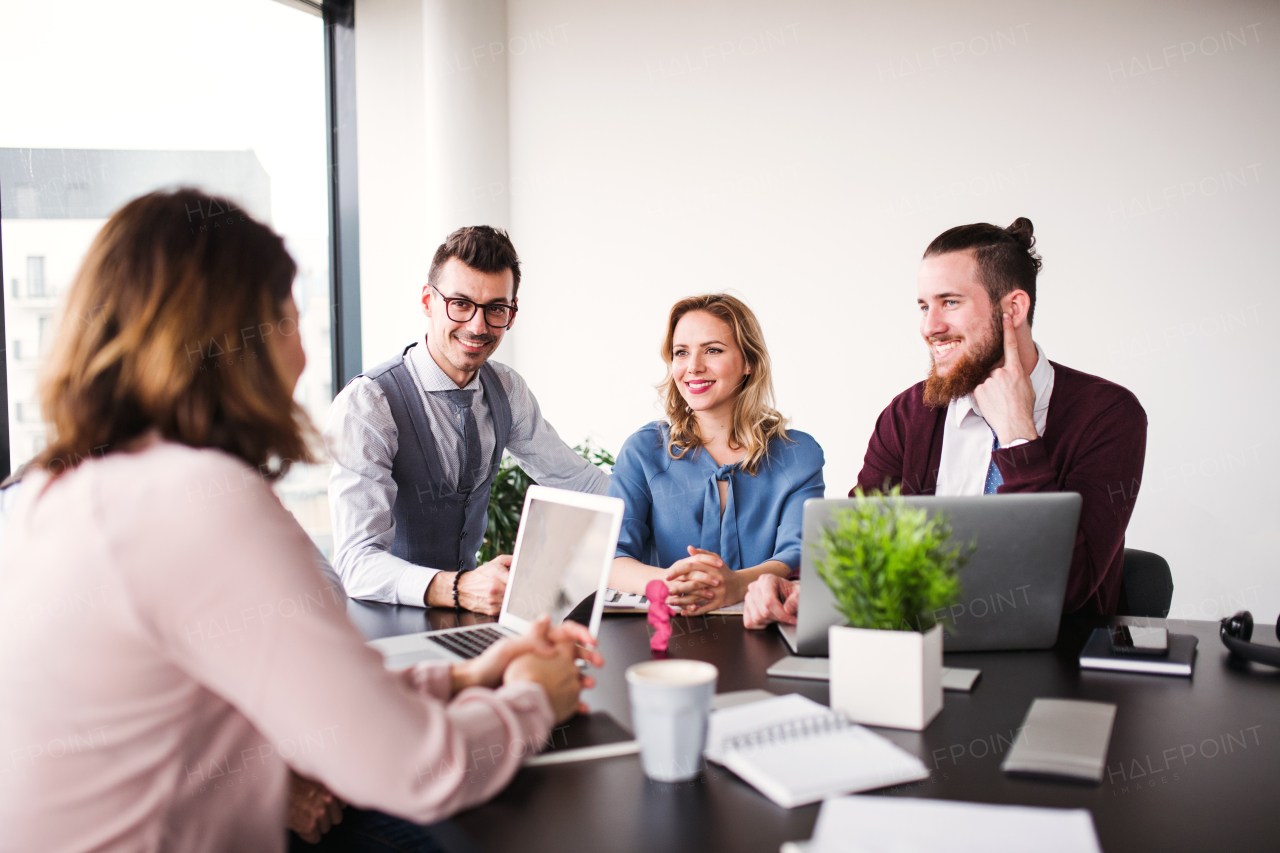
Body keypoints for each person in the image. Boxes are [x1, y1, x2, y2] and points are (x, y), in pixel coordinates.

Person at [0, 190, 601, 852]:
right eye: (288, 321)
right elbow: (418, 768)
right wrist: (533, 699)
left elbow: (256, 707)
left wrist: (459, 676)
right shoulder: (204, 501)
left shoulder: (49, 492)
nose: (305, 358)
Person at [744, 218, 1146, 628]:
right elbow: (856, 555)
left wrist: (1018, 438)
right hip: (917, 652)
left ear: (1014, 308)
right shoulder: (908, 416)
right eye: (923, 306)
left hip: (1055, 663)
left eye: (949, 302)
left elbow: (1067, 588)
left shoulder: (1108, 415)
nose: (929, 327)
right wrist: (798, 588)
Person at [325, 226, 609, 615]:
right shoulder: (369, 403)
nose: (478, 326)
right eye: (460, 303)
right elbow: (356, 562)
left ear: (512, 314)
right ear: (428, 300)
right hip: (385, 618)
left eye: (495, 308)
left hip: (468, 617)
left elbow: (578, 481)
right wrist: (458, 588)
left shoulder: (506, 388)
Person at [608, 294, 825, 616]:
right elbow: (611, 556)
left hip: (766, 624)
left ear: (748, 362)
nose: (693, 367)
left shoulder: (798, 454)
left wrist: (737, 585)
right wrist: (671, 583)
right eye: (681, 353)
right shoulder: (644, 451)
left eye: (712, 350)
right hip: (667, 630)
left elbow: (797, 552)